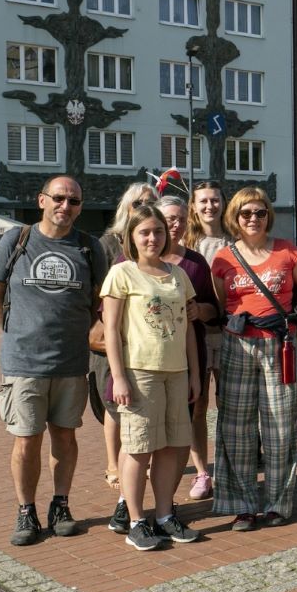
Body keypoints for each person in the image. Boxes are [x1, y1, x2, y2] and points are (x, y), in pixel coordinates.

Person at [0, 176, 107, 546]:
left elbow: (96, 303)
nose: (65, 207)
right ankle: (26, 510)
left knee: (65, 437)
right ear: (42, 200)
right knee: (26, 441)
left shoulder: (90, 247)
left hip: (71, 362)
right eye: (58, 198)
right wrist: (21, 333)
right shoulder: (16, 240)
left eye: (73, 201)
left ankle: (61, 504)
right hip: (24, 363)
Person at [101, 205, 201, 550]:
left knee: (172, 447)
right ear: (131, 236)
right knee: (140, 448)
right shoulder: (122, 273)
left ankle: (164, 515)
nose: (152, 238)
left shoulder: (178, 275)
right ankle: (135, 520)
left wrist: (194, 374)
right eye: (144, 232)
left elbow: (187, 329)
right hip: (140, 372)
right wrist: (119, 377)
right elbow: (111, 330)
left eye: (158, 231)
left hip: (176, 372)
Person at [211, 187, 297, 531]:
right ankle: (243, 505)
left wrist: (292, 326)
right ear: (235, 217)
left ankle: (278, 503)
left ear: (269, 215)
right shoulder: (223, 257)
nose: (253, 218)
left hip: (278, 345)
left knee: (281, 426)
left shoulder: (288, 252)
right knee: (236, 427)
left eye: (260, 212)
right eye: (245, 213)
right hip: (237, 345)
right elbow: (222, 302)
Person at [93, 182, 157, 490]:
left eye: (151, 202)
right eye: (138, 203)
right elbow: (96, 292)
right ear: (125, 208)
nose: (144, 207)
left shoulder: (157, 242)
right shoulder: (108, 244)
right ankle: (112, 462)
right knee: (114, 403)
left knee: (141, 403)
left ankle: (139, 459)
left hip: (146, 339)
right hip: (111, 338)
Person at [158, 196, 219, 500]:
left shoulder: (195, 262)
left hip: (190, 353)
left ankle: (201, 472)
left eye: (182, 218)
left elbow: (214, 308)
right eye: (170, 218)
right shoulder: (132, 260)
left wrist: (201, 312)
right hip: (151, 357)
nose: (177, 224)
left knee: (195, 414)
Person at [184, 180, 231, 497]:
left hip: (230, 334)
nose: (209, 206)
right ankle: (202, 472)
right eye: (203, 201)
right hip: (196, 335)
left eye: (215, 200)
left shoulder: (236, 239)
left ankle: (230, 466)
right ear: (194, 206)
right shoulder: (186, 241)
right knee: (197, 405)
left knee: (232, 406)